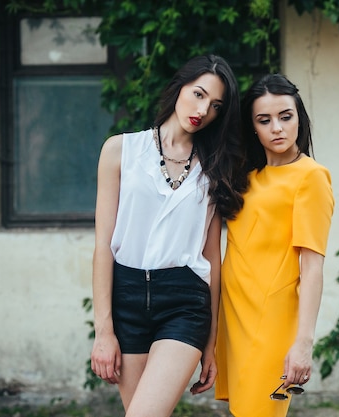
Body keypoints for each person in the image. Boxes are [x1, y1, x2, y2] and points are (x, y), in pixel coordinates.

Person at [90, 54, 247, 417]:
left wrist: (211, 344)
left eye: (216, 105)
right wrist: (104, 331)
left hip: (184, 302)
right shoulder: (120, 151)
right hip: (126, 297)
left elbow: (212, 260)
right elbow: (102, 247)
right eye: (198, 94)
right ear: (179, 87)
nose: (203, 109)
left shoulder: (215, 169)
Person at [209, 74, 334, 417]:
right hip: (234, 318)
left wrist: (303, 343)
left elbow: (311, 267)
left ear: (299, 119)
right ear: (252, 127)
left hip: (272, 322)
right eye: (264, 120)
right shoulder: (244, 177)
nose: (277, 128)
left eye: (285, 117)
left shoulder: (311, 177)